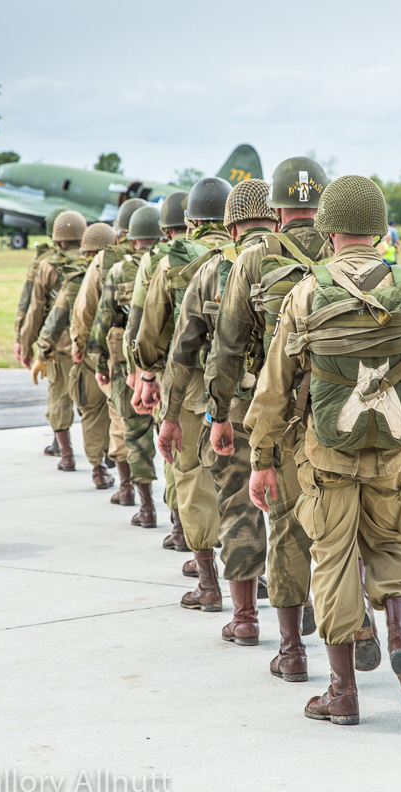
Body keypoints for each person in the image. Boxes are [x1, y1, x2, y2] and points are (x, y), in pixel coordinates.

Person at [246, 175, 401, 725]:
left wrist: (262, 461)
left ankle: (342, 694)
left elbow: (273, 388)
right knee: (393, 544)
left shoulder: (306, 294)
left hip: (327, 460)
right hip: (395, 456)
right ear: (379, 229)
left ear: (328, 229)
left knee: (333, 560)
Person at [205, 157, 349, 676]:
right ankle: (361, 627)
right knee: (341, 522)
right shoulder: (349, 256)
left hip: (280, 415)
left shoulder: (255, 257)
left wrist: (218, 414)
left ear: (278, 207)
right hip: (342, 412)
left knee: (287, 525)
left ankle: (291, 653)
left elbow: (226, 347)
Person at [158, 179, 272, 640]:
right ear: (277, 215)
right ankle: (311, 606)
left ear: (231, 223)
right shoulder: (310, 264)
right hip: (300, 410)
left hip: (234, 408)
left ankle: (245, 619)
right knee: (303, 512)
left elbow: (184, 350)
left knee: (240, 507)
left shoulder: (210, 270)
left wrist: (170, 416)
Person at [133, 177, 231, 608]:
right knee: (246, 479)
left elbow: (149, 333)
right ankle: (253, 572)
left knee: (192, 479)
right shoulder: (247, 256)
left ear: (190, 221)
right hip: (246, 391)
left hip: (189, 392)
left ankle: (209, 583)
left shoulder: (169, 262)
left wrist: (148, 376)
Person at [87, 206, 162, 527]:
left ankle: (143, 506)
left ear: (131, 239)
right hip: (166, 366)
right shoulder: (173, 263)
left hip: (127, 367)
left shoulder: (120, 270)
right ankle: (183, 523)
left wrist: (99, 361)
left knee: (133, 432)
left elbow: (104, 321)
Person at [70, 199, 146, 505]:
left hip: (119, 355)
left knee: (122, 419)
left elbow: (85, 310)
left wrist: (82, 349)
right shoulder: (168, 254)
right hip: (164, 355)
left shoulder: (106, 259)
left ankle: (128, 489)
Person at [124, 192, 188, 550]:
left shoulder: (156, 261)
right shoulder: (225, 255)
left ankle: (181, 530)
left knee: (176, 455)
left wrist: (140, 372)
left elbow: (141, 322)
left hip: (167, 373)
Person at [35, 222, 117, 489]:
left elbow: (54, 318)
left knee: (90, 410)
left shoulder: (74, 281)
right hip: (120, 357)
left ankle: (96, 467)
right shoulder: (128, 271)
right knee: (119, 414)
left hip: (82, 355)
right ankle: (124, 476)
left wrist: (41, 351)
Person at [19, 210, 88, 471]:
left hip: (57, 345)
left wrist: (27, 347)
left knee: (58, 397)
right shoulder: (96, 261)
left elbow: (35, 309)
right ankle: (104, 457)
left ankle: (66, 455)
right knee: (96, 401)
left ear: (57, 238)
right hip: (89, 344)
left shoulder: (48, 265)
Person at [13, 207, 66, 457]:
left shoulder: (42, 262)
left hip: (53, 339)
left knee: (57, 392)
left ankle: (62, 448)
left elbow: (28, 304)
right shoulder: (95, 256)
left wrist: (22, 342)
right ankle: (107, 453)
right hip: (88, 339)